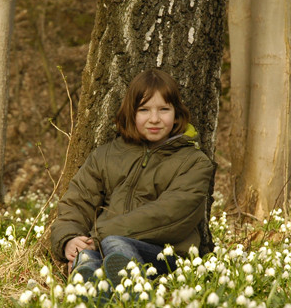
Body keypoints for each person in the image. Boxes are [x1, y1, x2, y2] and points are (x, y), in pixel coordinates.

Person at [50, 68, 216, 285]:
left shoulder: (193, 162)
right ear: (131, 113)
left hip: (165, 257)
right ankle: (91, 293)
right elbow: (76, 202)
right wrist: (69, 239)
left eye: (164, 109)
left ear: (176, 113)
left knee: (116, 245)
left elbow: (170, 214)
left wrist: (99, 238)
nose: (154, 119)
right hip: (102, 249)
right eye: (144, 110)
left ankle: (133, 290)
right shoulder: (105, 155)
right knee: (86, 258)